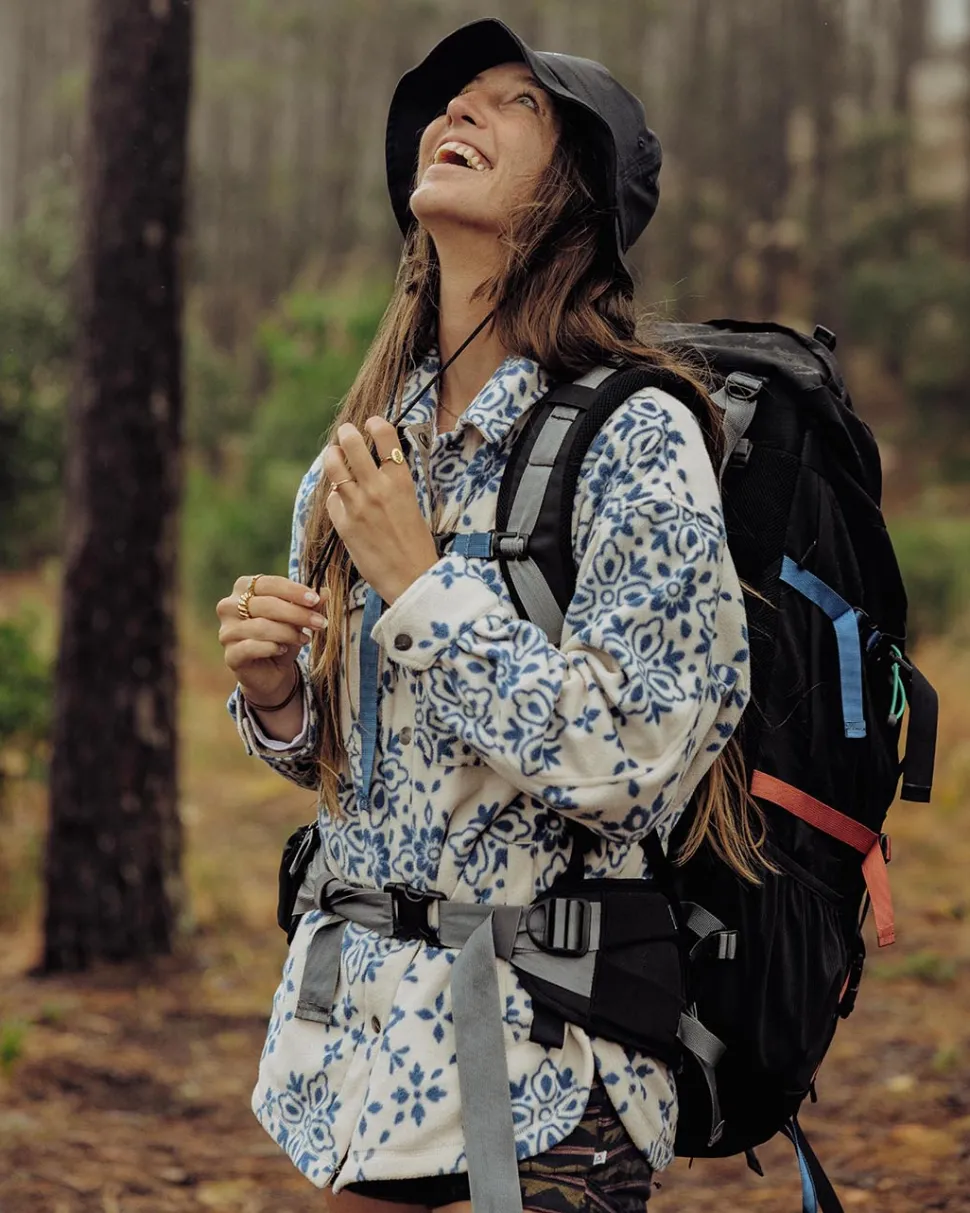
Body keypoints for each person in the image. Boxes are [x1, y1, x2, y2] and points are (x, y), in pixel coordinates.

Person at [216, 18, 753, 1213]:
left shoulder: (638, 437)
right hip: (370, 1061)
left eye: (516, 102)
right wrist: (279, 697)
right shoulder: (366, 456)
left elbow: (631, 757)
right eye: (454, 97)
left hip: (549, 1059)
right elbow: (359, 776)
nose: (459, 110)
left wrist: (423, 590)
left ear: (576, 196)